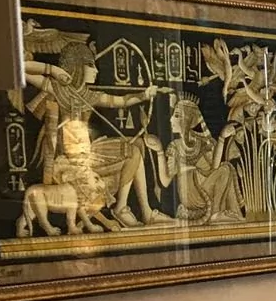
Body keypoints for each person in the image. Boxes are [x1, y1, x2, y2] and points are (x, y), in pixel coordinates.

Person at [23, 40, 172, 227]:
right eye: (91, 65)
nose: (96, 71)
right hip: (69, 161)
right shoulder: (57, 89)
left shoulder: (89, 95)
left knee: (133, 149)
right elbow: (22, 68)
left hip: (88, 151)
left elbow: (122, 101)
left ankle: (134, 210)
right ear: (77, 66)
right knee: (131, 151)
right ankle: (123, 210)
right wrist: (53, 70)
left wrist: (144, 95)